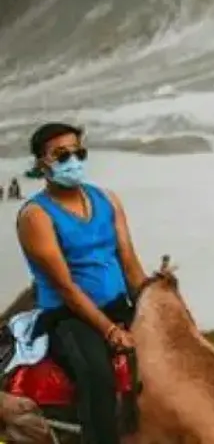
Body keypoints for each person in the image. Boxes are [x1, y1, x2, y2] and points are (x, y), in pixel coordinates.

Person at [17, 122, 148, 444]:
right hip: (69, 316)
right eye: (61, 156)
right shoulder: (36, 215)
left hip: (118, 303)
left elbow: (129, 261)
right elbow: (65, 286)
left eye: (78, 153)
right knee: (97, 377)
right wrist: (111, 331)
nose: (72, 161)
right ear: (41, 164)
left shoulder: (107, 199)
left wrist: (151, 303)